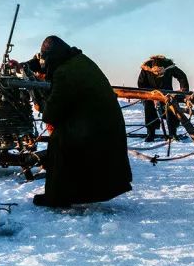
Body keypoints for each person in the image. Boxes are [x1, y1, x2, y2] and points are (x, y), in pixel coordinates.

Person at [28, 36, 132, 207]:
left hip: (94, 130)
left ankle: (57, 197)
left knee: (59, 141)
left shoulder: (63, 73)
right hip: (106, 126)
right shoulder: (79, 61)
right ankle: (73, 193)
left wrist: (41, 104)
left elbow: (52, 114)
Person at [137, 55, 189, 141]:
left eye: (160, 72)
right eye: (156, 72)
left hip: (167, 94)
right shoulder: (146, 68)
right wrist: (149, 95)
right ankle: (150, 133)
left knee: (170, 110)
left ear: (163, 67)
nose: (158, 74)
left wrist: (183, 90)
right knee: (148, 108)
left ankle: (173, 133)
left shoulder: (169, 66)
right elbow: (141, 83)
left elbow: (182, 76)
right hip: (151, 95)